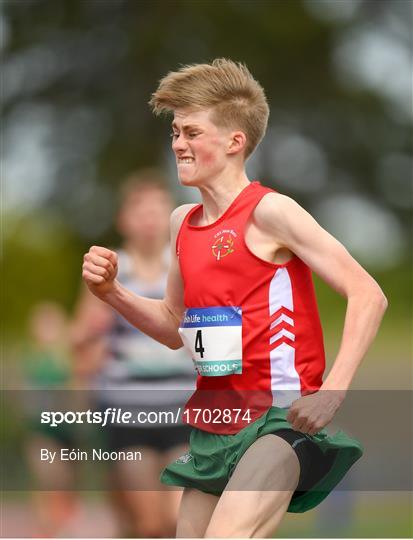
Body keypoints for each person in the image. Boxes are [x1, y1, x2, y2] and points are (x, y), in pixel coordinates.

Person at [82, 59, 388, 538]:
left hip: (280, 421)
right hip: (215, 424)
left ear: (234, 141)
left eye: (191, 132)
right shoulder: (181, 222)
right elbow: (171, 325)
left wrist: (333, 389)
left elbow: (368, 294)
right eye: (175, 133)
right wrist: (112, 293)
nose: (178, 143)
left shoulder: (271, 212)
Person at [72, 172, 194, 538]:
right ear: (124, 219)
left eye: (157, 209)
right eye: (140, 211)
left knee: (181, 520)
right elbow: (79, 340)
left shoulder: (185, 265)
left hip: (182, 414)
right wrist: (89, 334)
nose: (149, 219)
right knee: (148, 523)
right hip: (127, 415)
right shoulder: (109, 269)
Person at [22, 302, 79, 537]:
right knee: (46, 477)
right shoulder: (32, 360)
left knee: (64, 481)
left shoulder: (70, 360)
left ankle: (61, 523)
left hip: (67, 434)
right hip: (40, 432)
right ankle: (44, 528)